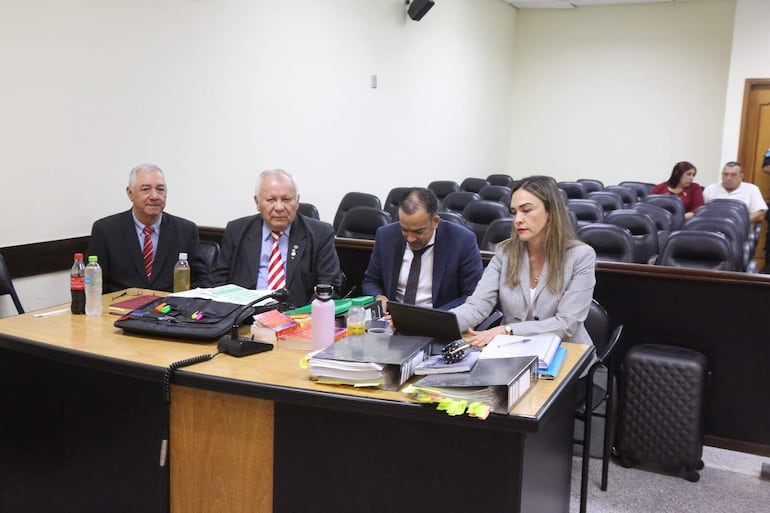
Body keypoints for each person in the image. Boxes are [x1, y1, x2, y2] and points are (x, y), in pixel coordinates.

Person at [450, 175, 596, 347]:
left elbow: (566, 323)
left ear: (550, 212)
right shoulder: (505, 252)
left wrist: (507, 330)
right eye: (514, 212)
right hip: (514, 351)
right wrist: (439, 324)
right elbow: (478, 306)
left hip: (567, 350)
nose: (517, 219)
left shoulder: (581, 255)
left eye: (526, 210)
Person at [209, 169, 343, 308]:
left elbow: (329, 287)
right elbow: (217, 285)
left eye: (286, 199)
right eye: (271, 200)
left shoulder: (320, 234)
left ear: (297, 201)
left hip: (297, 320)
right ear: (257, 202)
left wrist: (303, 319)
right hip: (245, 319)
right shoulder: (236, 231)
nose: (279, 207)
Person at [87, 163, 208, 293]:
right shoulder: (106, 230)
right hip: (119, 308)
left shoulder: (186, 230)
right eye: (146, 189)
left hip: (170, 309)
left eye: (160, 189)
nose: (155, 196)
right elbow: (94, 282)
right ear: (130, 193)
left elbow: (200, 280)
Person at [361, 187, 483, 311]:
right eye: (404, 229)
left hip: (438, 320)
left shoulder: (462, 241)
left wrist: (430, 318)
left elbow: (472, 295)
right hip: (391, 319)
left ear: (435, 221)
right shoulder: (386, 236)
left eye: (418, 231)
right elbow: (371, 280)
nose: (410, 238)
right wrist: (378, 297)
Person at [703, 161, 767, 223]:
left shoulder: (752, 189)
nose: (728, 178)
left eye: (733, 175)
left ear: (741, 176)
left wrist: (738, 222)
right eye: (725, 174)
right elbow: (701, 211)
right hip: (713, 228)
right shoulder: (710, 189)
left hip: (739, 230)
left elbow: (760, 214)